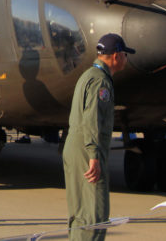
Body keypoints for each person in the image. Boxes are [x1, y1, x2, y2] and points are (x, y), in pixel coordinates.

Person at [63, 32, 134, 241]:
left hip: (76, 146)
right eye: (125, 55)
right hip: (87, 149)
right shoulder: (101, 82)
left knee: (80, 211)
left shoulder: (88, 76)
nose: (126, 59)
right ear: (117, 56)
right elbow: (92, 119)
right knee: (94, 214)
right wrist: (94, 154)